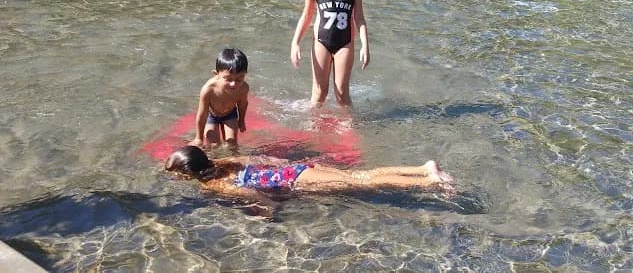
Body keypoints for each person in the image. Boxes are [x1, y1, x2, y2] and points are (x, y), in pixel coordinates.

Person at [165, 146, 453, 201]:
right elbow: (258, 158)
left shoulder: (213, 185)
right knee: (362, 175)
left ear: (189, 172)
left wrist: (266, 212)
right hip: (298, 170)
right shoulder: (225, 162)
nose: (174, 178)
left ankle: (429, 180)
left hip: (296, 181)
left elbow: (250, 194)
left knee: (364, 182)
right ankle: (423, 169)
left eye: (176, 173)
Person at [290, 0, 370, 108]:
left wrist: (365, 45)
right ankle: (313, 128)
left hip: (345, 43)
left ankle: (348, 127)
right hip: (321, 42)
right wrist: (295, 43)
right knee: (319, 93)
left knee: (342, 93)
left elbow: (359, 18)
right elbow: (306, 15)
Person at [190, 48, 250, 147]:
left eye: (240, 78)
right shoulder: (208, 89)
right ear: (216, 74)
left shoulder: (243, 88)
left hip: (230, 113)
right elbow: (202, 115)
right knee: (213, 145)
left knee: (232, 144)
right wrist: (198, 138)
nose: (233, 84)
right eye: (228, 79)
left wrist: (241, 121)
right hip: (212, 115)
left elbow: (242, 105)